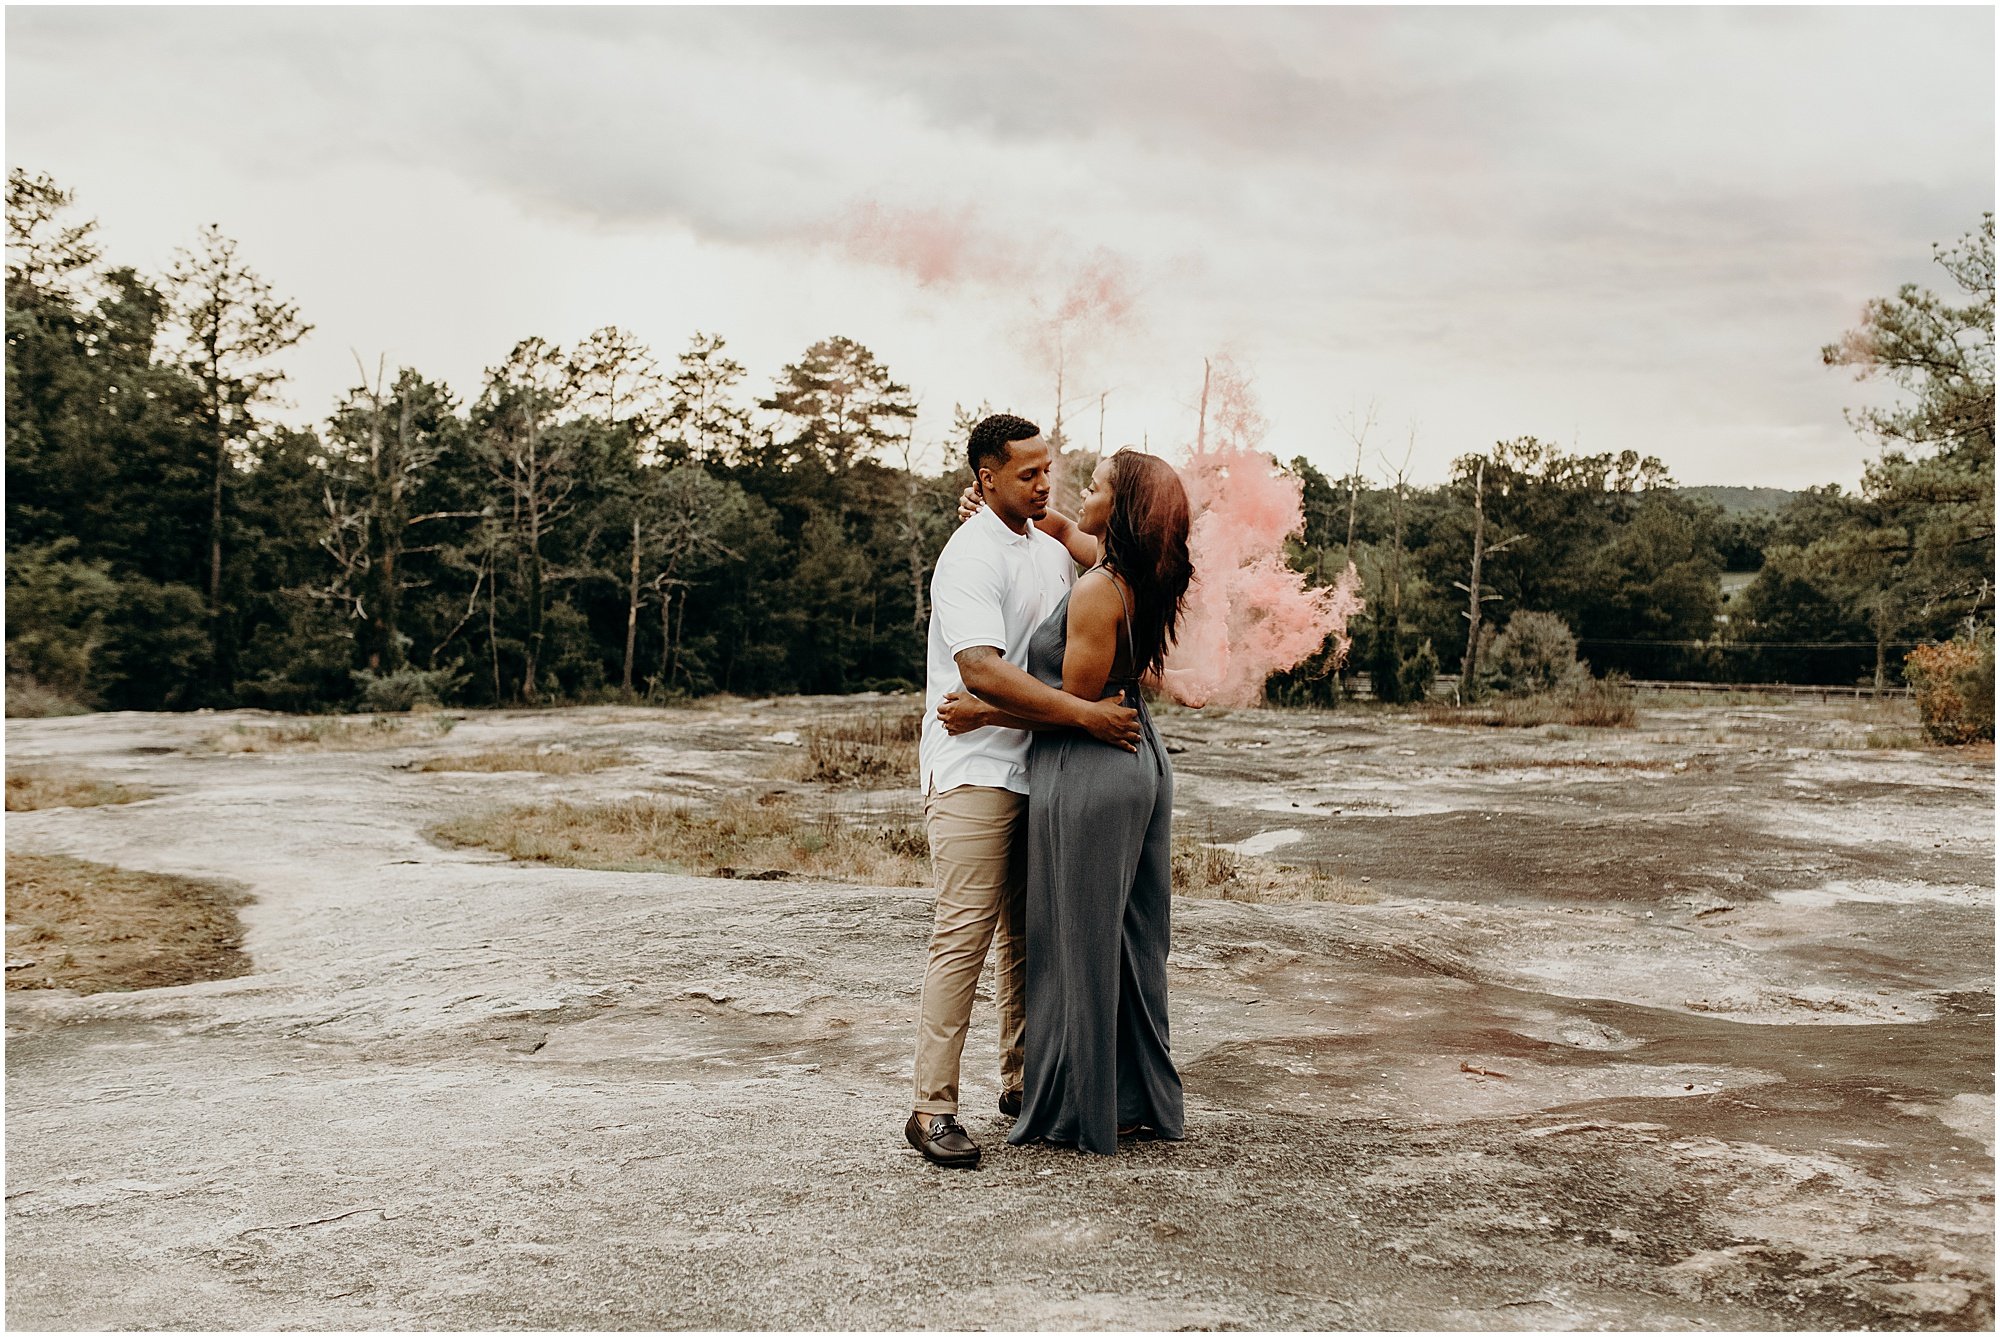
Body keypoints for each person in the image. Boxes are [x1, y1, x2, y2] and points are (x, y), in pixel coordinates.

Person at [940, 449, 1195, 1155]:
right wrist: (988, 507)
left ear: (1121, 509)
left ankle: (1083, 1106)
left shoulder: (1095, 591)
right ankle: (1133, 1096)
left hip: (1090, 770)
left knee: (1076, 939)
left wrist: (985, 712)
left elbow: (1075, 704)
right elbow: (1052, 521)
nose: (1079, 490)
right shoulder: (1136, 569)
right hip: (1137, 757)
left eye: (1099, 485)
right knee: (1130, 937)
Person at [905, 414, 1141, 1170]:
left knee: (1029, 937)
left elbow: (1057, 658)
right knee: (964, 935)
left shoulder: (1050, 551)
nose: (1046, 483)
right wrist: (1086, 717)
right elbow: (980, 668)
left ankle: (1021, 1083)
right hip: (975, 766)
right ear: (985, 479)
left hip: (1041, 764)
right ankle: (931, 1109)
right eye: (1028, 473)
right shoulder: (967, 554)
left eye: (1050, 469)